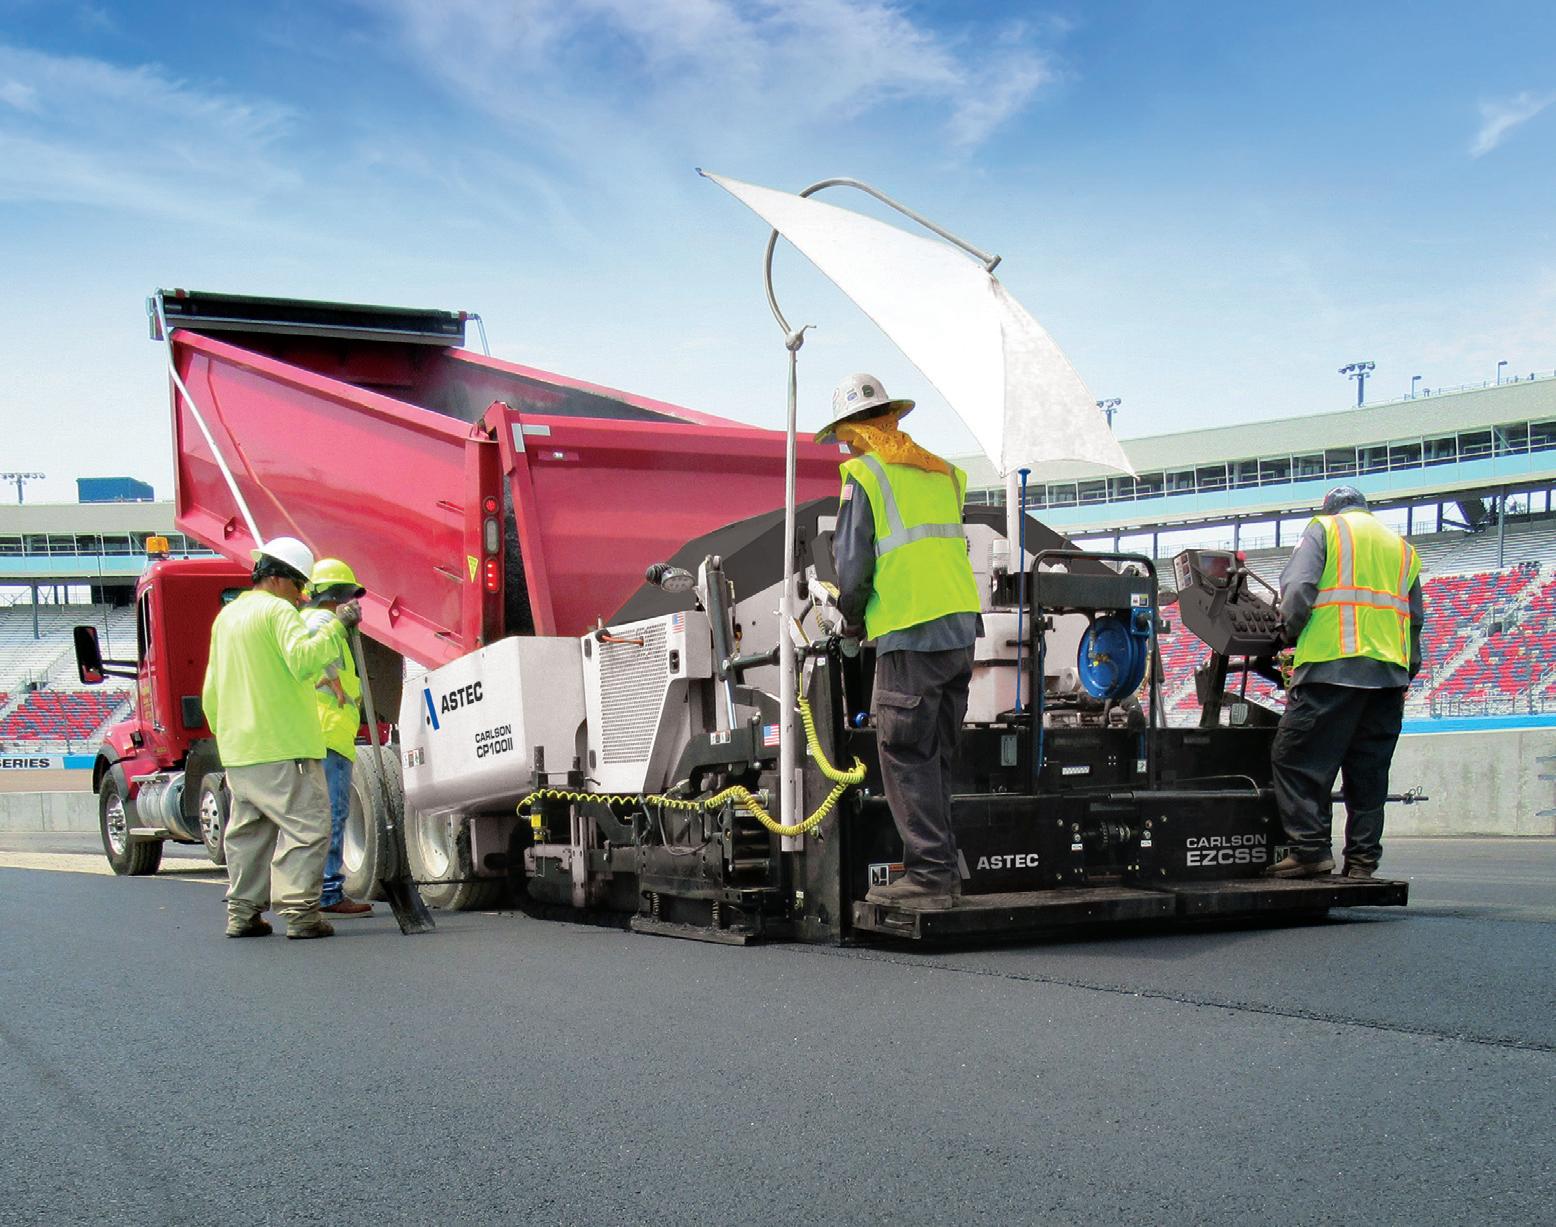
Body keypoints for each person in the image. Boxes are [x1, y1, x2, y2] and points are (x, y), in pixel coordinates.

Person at [823, 372, 982, 910]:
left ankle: (930, 876)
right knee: (935, 756)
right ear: (892, 419)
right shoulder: (943, 472)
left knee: (905, 753)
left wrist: (850, 622)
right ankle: (945, 872)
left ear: (852, 431)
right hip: (959, 631)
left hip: (910, 633)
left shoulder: (863, 474)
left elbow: (852, 568)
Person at [202, 537, 362, 939]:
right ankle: (301, 913)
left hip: (240, 750)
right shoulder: (278, 612)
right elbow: (304, 661)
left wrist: (228, 736)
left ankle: (242, 914)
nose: (302, 595)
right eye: (299, 585)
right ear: (277, 579)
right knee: (309, 827)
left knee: (249, 835)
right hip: (284, 746)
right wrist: (338, 626)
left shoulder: (227, 618)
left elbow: (211, 690)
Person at [1267, 487, 1424, 879]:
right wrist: (1404, 672)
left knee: (1296, 759)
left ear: (1330, 509)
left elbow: (1299, 589)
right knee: (1369, 773)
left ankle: (1310, 850)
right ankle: (1362, 861)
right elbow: (1415, 620)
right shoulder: (1402, 548)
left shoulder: (1325, 529)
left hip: (1331, 669)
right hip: (1388, 678)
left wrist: (1286, 633)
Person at [304, 558, 374, 918]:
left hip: (327, 732)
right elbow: (314, 655)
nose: (350, 603)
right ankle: (328, 891)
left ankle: (315, 889)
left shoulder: (317, 621)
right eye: (347, 596)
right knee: (333, 812)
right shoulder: (321, 621)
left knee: (323, 813)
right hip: (328, 731)